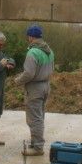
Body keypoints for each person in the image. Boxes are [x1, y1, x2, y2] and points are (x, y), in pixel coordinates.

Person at [15, 24, 54, 156]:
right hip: (46, 86)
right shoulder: (49, 50)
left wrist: (17, 81)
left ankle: (37, 148)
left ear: (31, 37)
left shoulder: (33, 52)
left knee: (34, 119)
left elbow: (29, 74)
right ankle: (35, 141)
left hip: (35, 88)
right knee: (40, 116)